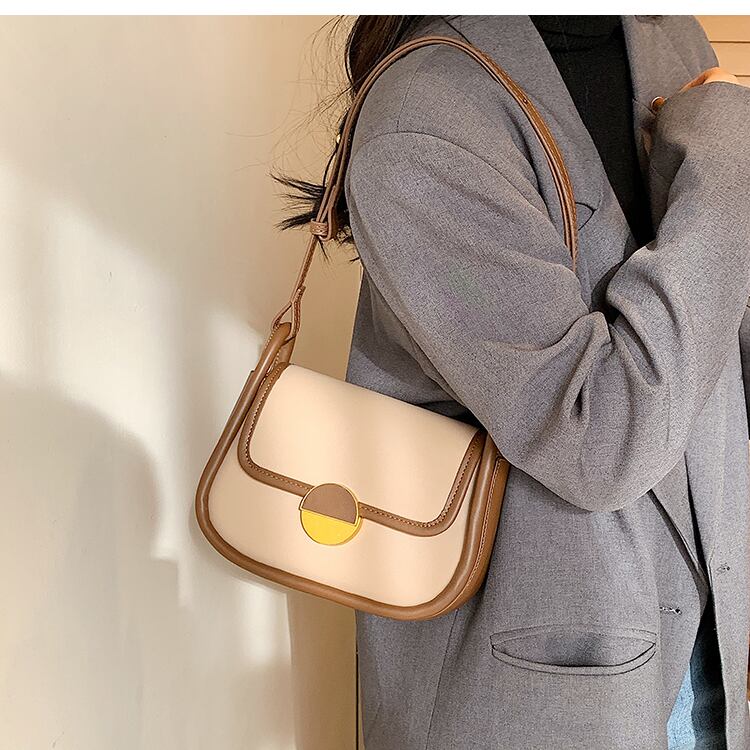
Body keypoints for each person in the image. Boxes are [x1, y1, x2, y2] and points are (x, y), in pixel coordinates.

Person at [276, 14, 750, 750]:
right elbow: (599, 441)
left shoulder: (665, 36)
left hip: (711, 645)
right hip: (539, 693)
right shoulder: (425, 114)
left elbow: (717, 333)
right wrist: (729, 162)